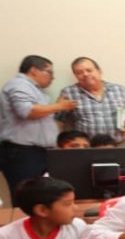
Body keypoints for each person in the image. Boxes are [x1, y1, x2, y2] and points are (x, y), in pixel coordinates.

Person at [0, 55, 76, 189]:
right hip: (23, 152)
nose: (53, 77)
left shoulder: (35, 89)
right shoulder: (19, 84)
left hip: (37, 152)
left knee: (40, 194)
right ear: (34, 70)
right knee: (26, 194)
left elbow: (40, 113)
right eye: (50, 72)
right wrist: (59, 106)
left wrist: (56, 107)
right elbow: (27, 111)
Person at [0, 178, 88, 239]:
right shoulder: (5, 237)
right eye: (67, 204)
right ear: (42, 210)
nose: (76, 208)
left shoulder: (78, 226)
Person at [56, 57, 125, 146]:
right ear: (75, 76)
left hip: (120, 142)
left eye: (89, 70)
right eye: (79, 73)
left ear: (99, 71)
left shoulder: (119, 89)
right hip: (88, 146)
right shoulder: (68, 93)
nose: (85, 74)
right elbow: (58, 120)